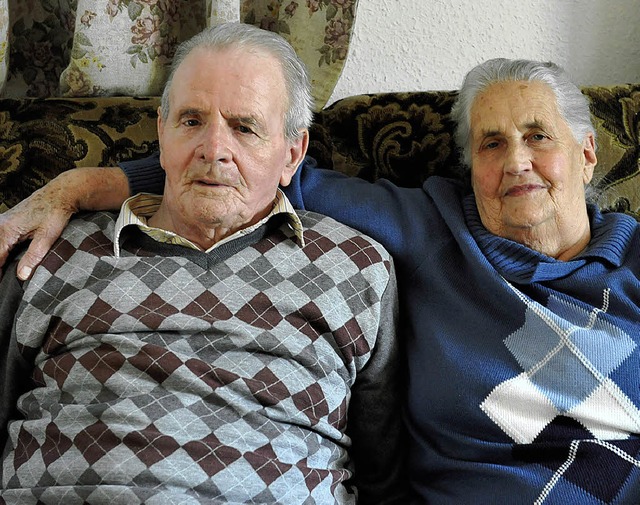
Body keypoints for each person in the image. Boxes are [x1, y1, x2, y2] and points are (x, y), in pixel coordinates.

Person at [2, 54, 640, 503]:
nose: (517, 161)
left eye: (538, 136)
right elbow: (248, 168)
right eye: (491, 144)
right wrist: (83, 184)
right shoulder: (428, 225)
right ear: (469, 164)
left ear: (587, 154)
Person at [0, 23, 405, 504]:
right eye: (192, 121)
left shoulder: (355, 267)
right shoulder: (53, 248)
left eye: (244, 127)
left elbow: (386, 470)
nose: (214, 150)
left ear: (292, 153)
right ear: (161, 133)